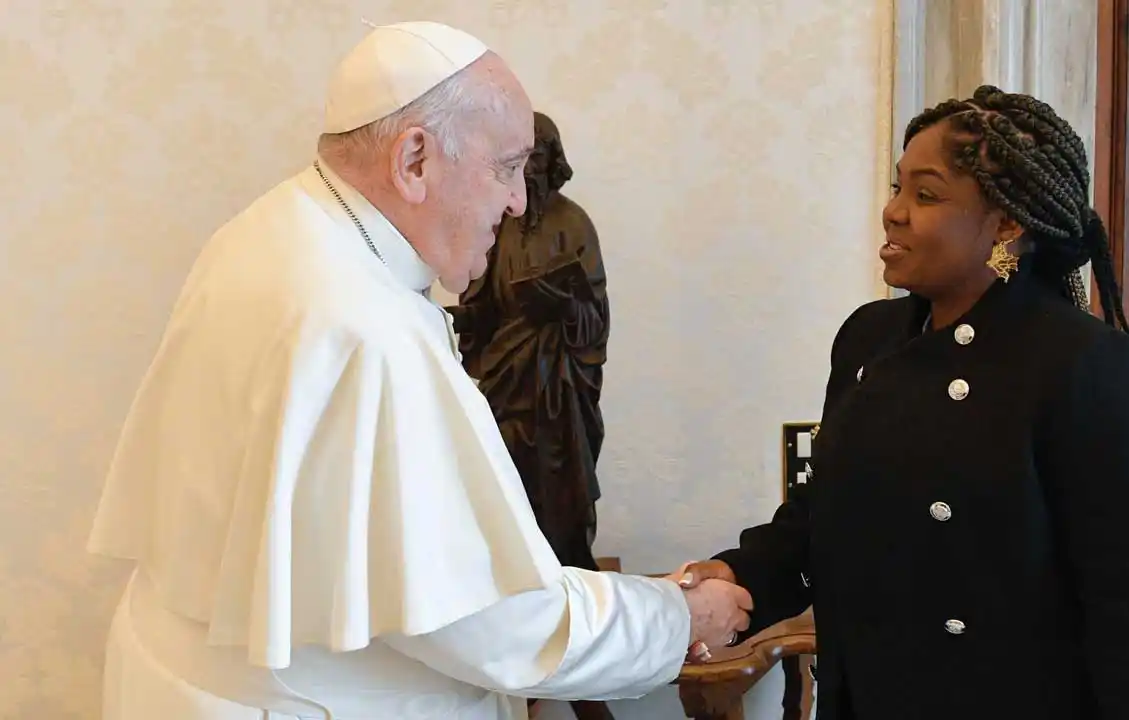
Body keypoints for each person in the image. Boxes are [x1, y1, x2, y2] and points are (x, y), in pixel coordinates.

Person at [87, 20, 749, 720]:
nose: (520, 201)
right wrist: (676, 619)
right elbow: (490, 620)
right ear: (414, 160)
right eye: (505, 167)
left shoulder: (268, 230)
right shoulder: (366, 329)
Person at [676, 85, 1129, 719]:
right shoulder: (869, 337)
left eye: (925, 195)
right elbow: (826, 520)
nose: (893, 211)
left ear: (1006, 224)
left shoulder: (1090, 368)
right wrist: (740, 577)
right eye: (898, 187)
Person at [451, 111, 610, 578]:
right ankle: (511, 574)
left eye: (540, 158)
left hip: (561, 387)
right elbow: (480, 300)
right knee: (505, 476)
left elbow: (594, 317)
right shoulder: (496, 222)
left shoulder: (573, 223)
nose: (532, 171)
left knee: (563, 484)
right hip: (506, 380)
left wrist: (561, 305)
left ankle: (568, 573)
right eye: (523, 160)